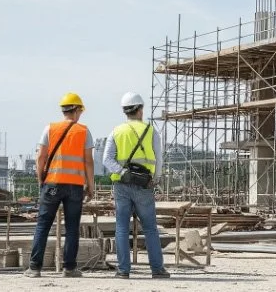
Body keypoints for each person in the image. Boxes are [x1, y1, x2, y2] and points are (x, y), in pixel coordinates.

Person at [25, 92, 95, 278]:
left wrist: (41, 180)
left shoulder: (50, 129)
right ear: (77, 110)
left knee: (43, 226)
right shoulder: (84, 131)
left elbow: (40, 157)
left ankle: (34, 268)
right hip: (75, 186)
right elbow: (88, 161)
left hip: (52, 184)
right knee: (72, 228)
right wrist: (91, 185)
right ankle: (69, 268)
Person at [103, 92, 169, 280]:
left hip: (122, 185)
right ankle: (157, 269)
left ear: (125, 111)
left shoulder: (116, 131)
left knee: (122, 228)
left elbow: (107, 159)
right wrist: (155, 178)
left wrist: (122, 171)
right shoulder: (150, 131)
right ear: (140, 109)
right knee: (150, 228)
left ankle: (123, 270)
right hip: (144, 185)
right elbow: (158, 159)